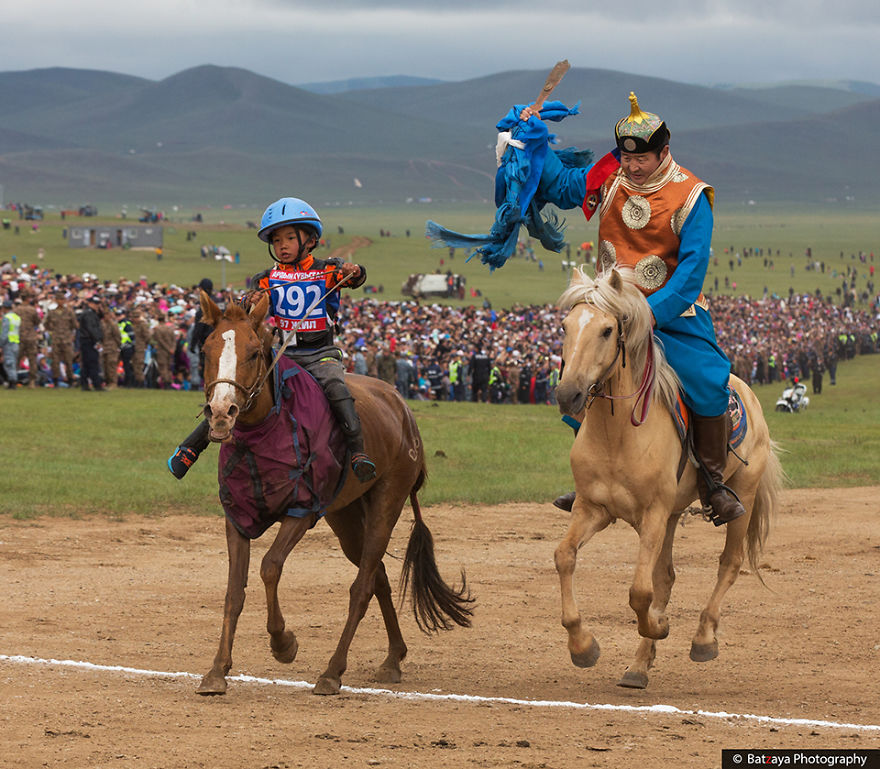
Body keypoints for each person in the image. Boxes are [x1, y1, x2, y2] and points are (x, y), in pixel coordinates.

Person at [526, 92, 744, 526]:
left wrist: (643, 316)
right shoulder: (611, 179)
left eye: (642, 158)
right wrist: (530, 146)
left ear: (663, 151)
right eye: (626, 158)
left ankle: (714, 483)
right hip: (610, 314)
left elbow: (690, 276)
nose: (632, 166)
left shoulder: (692, 196)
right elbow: (563, 186)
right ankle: (591, 479)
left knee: (706, 381)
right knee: (581, 371)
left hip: (673, 316)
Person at [168, 197, 376, 484]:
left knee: (335, 387)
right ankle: (191, 448)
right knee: (241, 392)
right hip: (282, 354)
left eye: (290, 238)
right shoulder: (266, 278)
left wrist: (356, 271)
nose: (283, 245)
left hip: (321, 353)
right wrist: (249, 299)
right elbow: (246, 305)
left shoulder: (329, 270)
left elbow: (356, 278)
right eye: (277, 240)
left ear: (311, 240)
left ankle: (357, 452)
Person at [78, 294, 104, 391]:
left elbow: (102, 316)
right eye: (95, 304)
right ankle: (96, 384)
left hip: (87, 340)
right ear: (90, 303)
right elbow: (91, 328)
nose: (97, 306)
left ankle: (85, 384)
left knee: (86, 363)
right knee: (92, 363)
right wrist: (98, 339)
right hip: (89, 340)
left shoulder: (90, 313)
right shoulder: (89, 314)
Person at [1, 298, 21, 388]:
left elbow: (4, 333)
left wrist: (0, 344)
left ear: (5, 308)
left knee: (9, 362)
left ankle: (12, 382)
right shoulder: (17, 317)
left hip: (8, 342)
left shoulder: (7, 318)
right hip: (16, 342)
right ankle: (13, 380)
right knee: (13, 362)